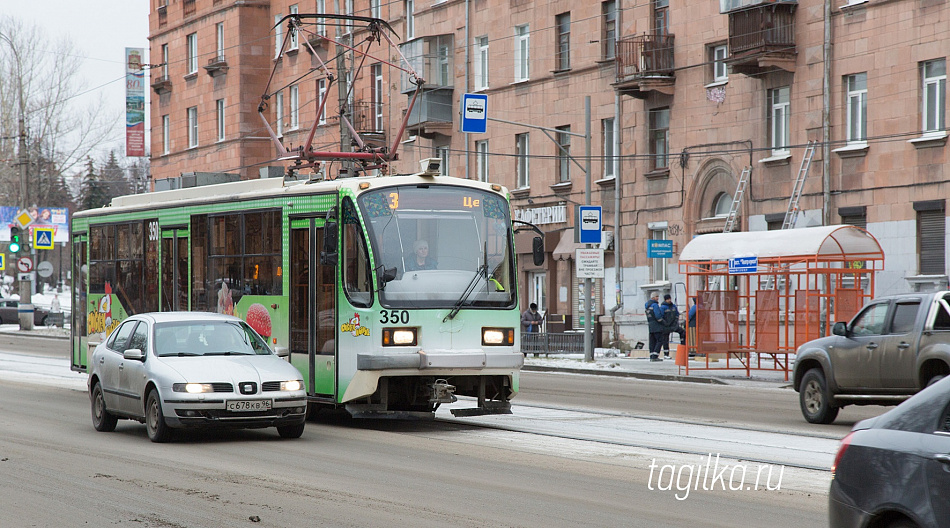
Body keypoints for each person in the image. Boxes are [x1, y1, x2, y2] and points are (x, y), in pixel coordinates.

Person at [660, 294, 685, 358]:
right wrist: (665, 323)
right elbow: (661, 316)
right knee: (665, 339)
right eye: (668, 299)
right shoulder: (663, 307)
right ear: (665, 300)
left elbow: (677, 314)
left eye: (670, 299)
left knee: (683, 332)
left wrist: (676, 321)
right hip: (666, 326)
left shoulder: (673, 306)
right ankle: (666, 354)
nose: (669, 300)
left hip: (674, 325)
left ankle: (683, 348)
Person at [645, 292, 665, 361]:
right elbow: (658, 315)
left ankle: (651, 355)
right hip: (656, 325)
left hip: (650, 325)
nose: (657, 298)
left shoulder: (647, 306)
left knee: (652, 340)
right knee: (659, 340)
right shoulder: (655, 305)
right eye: (656, 296)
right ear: (652, 297)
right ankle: (655, 356)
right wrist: (663, 322)